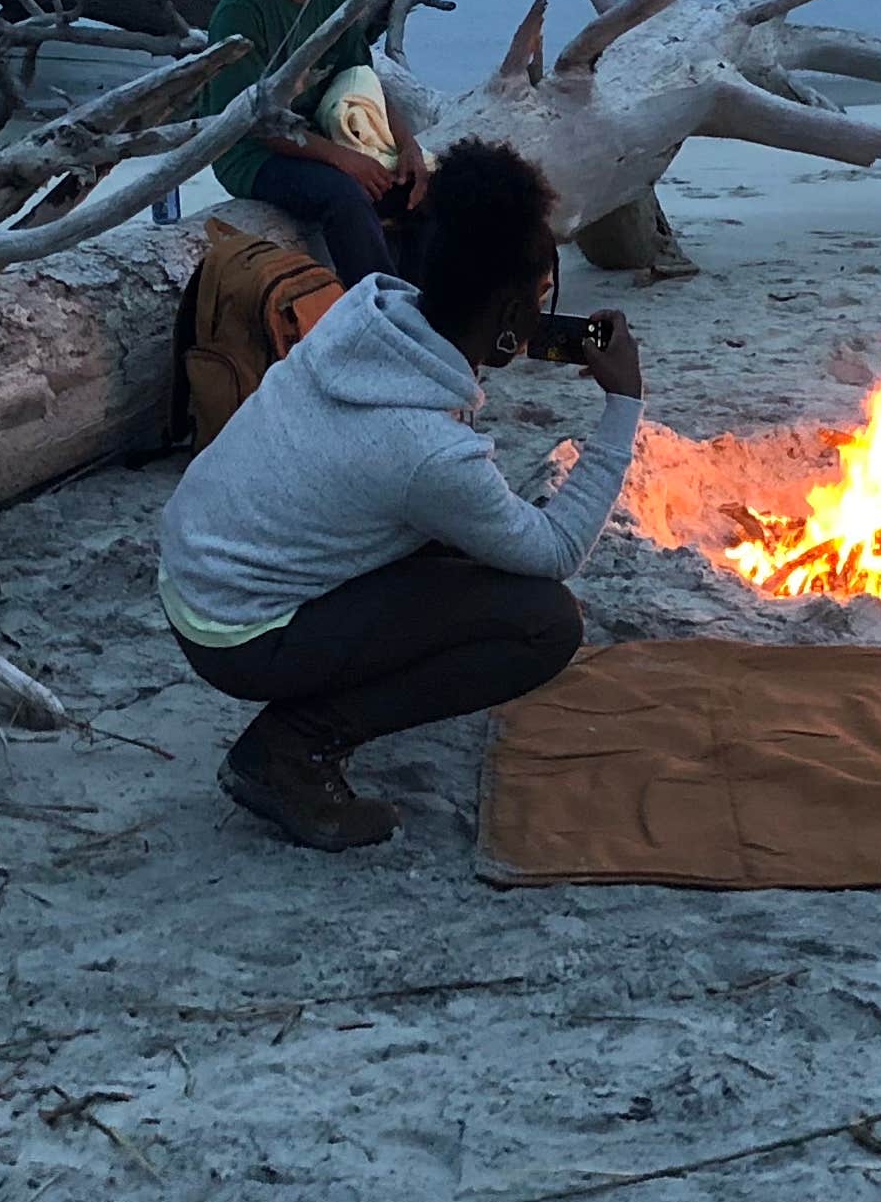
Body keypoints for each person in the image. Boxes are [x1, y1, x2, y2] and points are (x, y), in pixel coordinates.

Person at [153, 137, 643, 850]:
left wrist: (503, 332)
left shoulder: (369, 318)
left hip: (196, 571)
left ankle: (301, 715)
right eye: (540, 299)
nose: (545, 314)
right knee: (542, 621)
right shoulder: (426, 450)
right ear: (508, 311)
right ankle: (289, 751)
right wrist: (623, 402)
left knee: (464, 547)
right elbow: (557, 549)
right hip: (236, 631)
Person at [198, 0, 426, 286]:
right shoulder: (243, 10)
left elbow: (366, 81)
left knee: (416, 188)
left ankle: (428, 306)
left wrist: (409, 146)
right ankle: (378, 313)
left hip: (322, 139)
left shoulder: (329, 3)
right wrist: (344, 159)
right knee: (344, 196)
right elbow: (247, 124)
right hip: (254, 155)